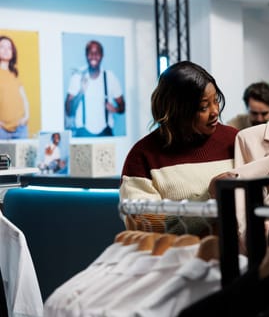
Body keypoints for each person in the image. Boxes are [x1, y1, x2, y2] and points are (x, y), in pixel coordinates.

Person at [119, 60, 238, 236]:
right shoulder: (143, 156)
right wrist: (209, 199)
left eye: (216, 101)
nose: (214, 111)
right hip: (180, 260)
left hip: (240, 259)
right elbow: (145, 227)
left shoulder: (234, 139)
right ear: (176, 110)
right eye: (203, 107)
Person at [64, 40, 125, 137]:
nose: (93, 56)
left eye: (97, 53)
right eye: (90, 53)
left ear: (102, 55)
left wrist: (115, 109)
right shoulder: (77, 77)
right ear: (86, 55)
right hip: (82, 133)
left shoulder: (110, 77)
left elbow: (123, 107)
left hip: (105, 132)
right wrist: (81, 91)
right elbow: (68, 111)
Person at [0, 35, 30, 139]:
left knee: (21, 155)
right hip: (2, 130)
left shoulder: (14, 73)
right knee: (5, 156)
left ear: (13, 52)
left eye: (9, 48)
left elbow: (24, 98)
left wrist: (26, 117)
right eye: (2, 46)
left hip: (21, 128)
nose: (6, 50)